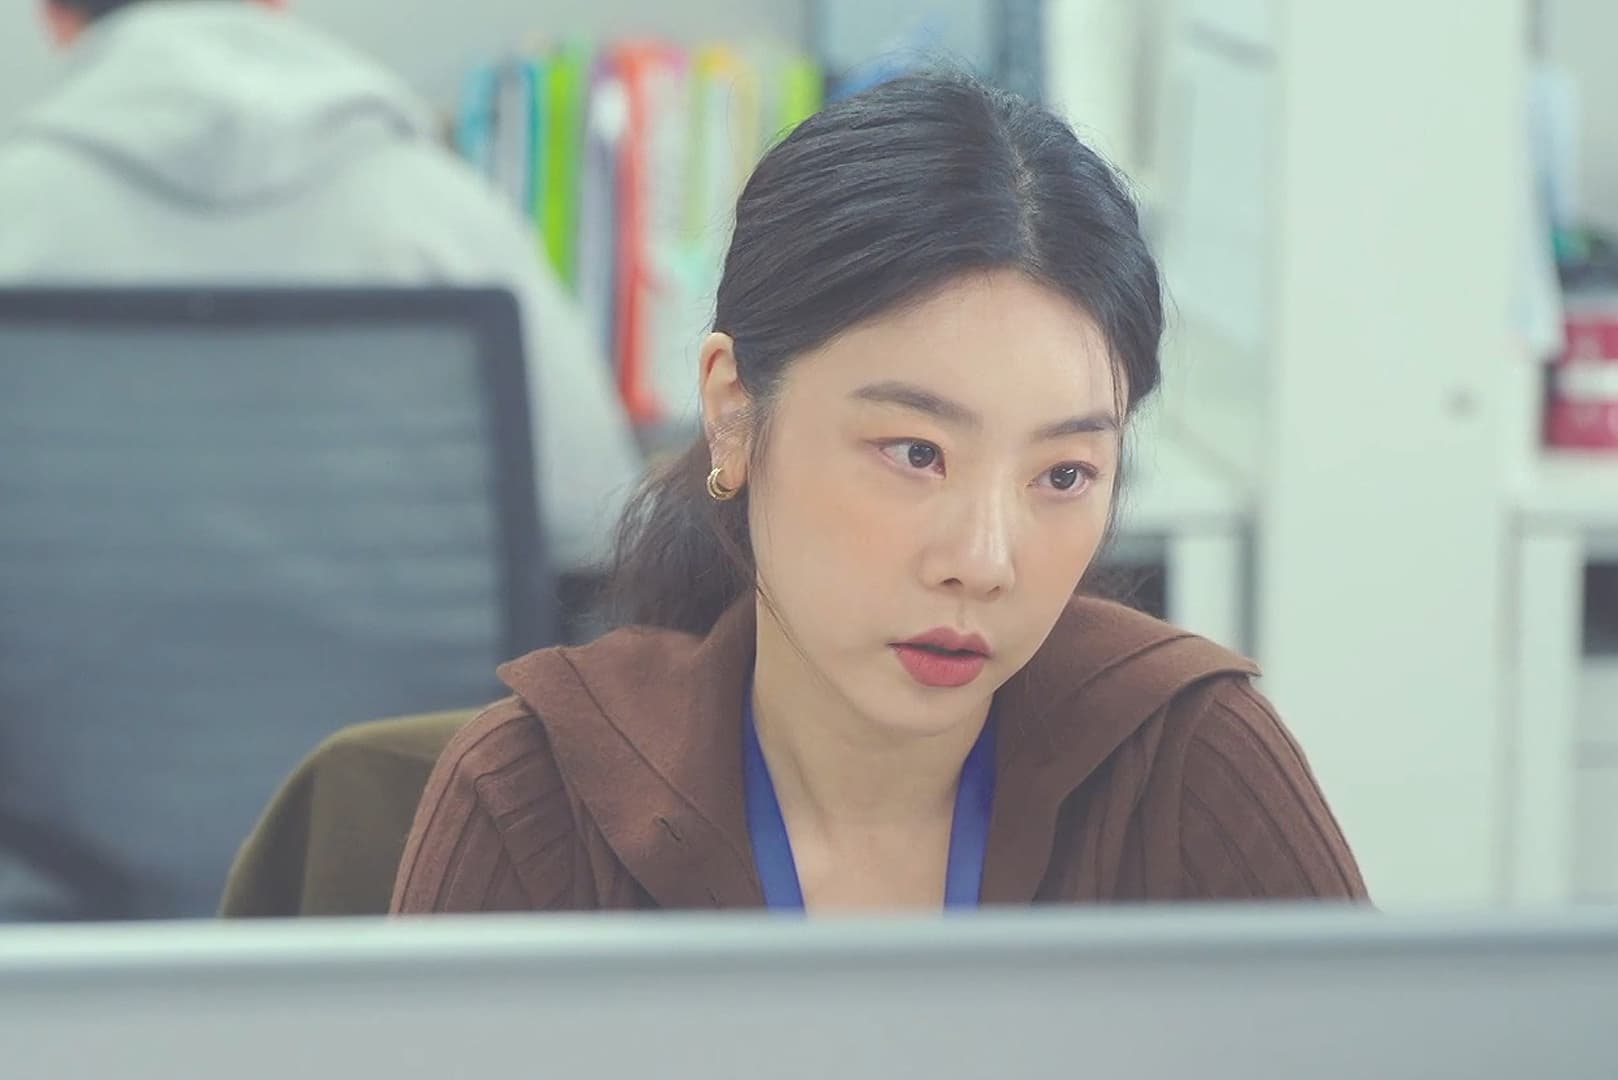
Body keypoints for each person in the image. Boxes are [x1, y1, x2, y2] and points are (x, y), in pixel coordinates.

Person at [391, 72, 1366, 914]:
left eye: (1063, 475)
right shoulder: (532, 802)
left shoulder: (1192, 762)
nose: (983, 562)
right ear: (734, 412)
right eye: (916, 453)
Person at [0, 0, 639, 571]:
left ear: (54, 16)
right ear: (276, 4)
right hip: (410, 673)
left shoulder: (15, 214)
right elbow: (596, 523)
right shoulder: (448, 214)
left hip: (72, 671)